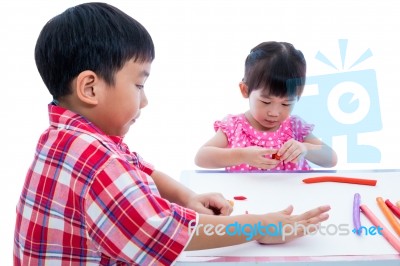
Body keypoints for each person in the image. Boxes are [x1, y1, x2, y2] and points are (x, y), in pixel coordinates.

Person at [13, 3, 331, 265]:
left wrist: (187, 196)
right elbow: (166, 231)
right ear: (90, 88)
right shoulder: (97, 162)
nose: (146, 100)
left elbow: (138, 167)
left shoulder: (64, 137)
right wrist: (260, 225)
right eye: (139, 84)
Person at [195, 41, 338, 172]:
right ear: (245, 90)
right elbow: (201, 157)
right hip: (246, 198)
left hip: (293, 197)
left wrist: (306, 148)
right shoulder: (234, 127)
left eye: (286, 103)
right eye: (266, 102)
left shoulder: (295, 127)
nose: (274, 112)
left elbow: (331, 159)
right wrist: (241, 155)